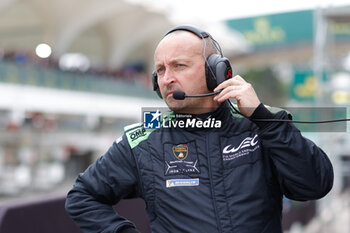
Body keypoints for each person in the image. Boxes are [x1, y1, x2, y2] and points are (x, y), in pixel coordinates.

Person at [65, 25, 334, 233]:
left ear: (215, 72)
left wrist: (264, 118)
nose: (167, 78)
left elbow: (314, 185)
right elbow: (82, 197)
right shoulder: (142, 139)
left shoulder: (260, 126)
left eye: (179, 66)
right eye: (160, 70)